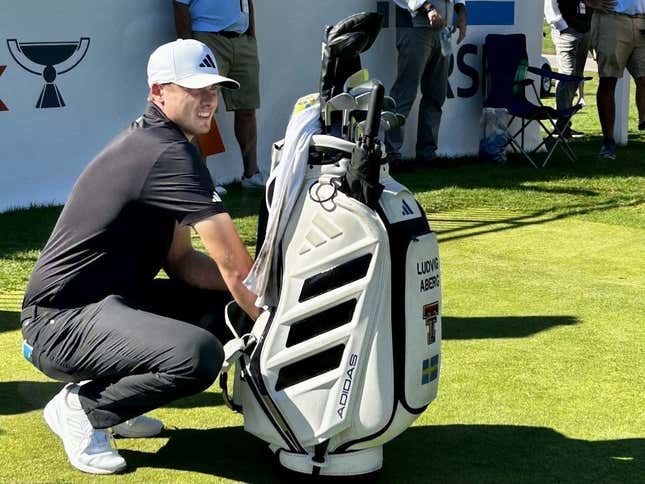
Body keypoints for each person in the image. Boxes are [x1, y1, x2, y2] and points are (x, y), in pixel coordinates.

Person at [20, 39, 261, 475]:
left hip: (110, 308)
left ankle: (123, 404)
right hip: (58, 321)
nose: (208, 98)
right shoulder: (165, 151)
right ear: (157, 93)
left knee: (226, 312)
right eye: (194, 88)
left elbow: (183, 262)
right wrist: (276, 310)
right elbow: (232, 265)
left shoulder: (174, 145)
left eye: (214, 88)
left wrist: (247, 298)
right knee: (198, 355)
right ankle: (85, 408)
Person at [174, 0, 265, 189]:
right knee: (201, 110)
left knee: (247, 108)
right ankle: (202, 178)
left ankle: (251, 174)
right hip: (207, 39)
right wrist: (188, 47)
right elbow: (179, 4)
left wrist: (251, 34)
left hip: (242, 41)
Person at [385, 0, 468, 165]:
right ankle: (391, 154)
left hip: (442, 29)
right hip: (414, 27)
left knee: (436, 94)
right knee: (404, 93)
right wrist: (428, 8)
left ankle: (427, 153)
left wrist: (461, 13)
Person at [586, 0, 645, 159]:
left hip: (641, 21)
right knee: (608, 80)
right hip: (611, 19)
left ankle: (643, 118)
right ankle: (608, 142)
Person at [544, 0, 593, 138]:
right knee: (567, 76)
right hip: (567, 31)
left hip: (584, 29)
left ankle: (564, 124)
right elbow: (550, 4)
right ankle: (561, 124)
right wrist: (562, 26)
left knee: (576, 77)